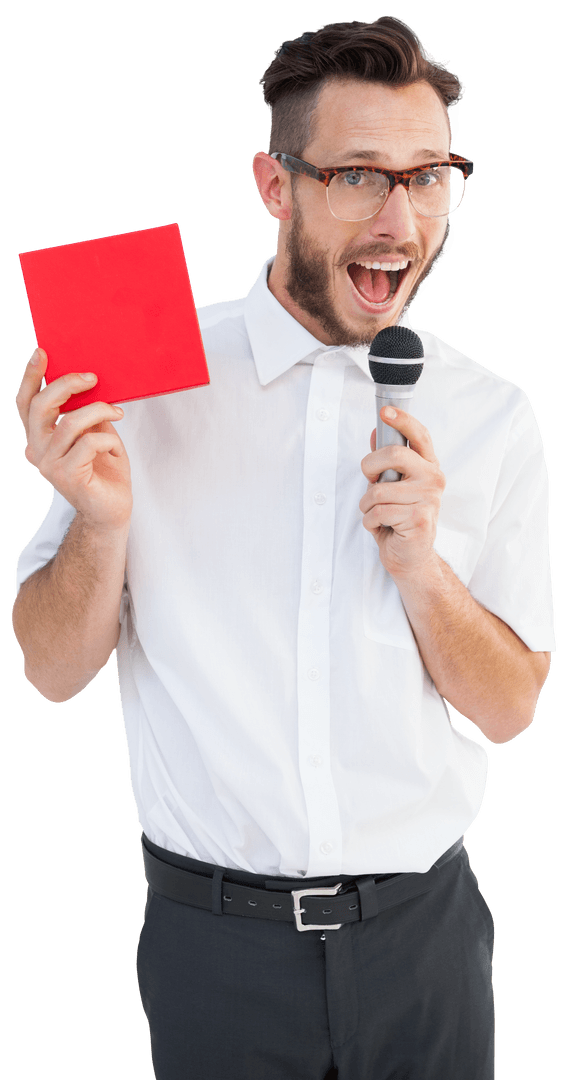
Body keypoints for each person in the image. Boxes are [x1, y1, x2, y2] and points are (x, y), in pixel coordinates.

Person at [12, 15, 554, 1080]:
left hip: (425, 939)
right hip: (214, 946)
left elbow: (508, 707)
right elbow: (50, 670)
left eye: (429, 175)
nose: (401, 219)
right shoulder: (143, 377)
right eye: (358, 175)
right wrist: (99, 519)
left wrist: (419, 568)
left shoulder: (490, 411)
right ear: (275, 184)